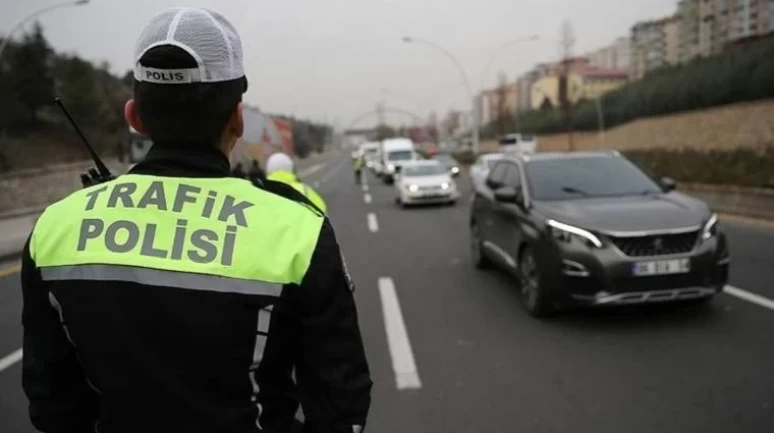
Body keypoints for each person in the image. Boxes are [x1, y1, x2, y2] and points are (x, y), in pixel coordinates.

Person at [21, 8, 371, 433]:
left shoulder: (55, 228)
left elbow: (52, 405)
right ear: (237, 119)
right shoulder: (298, 229)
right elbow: (341, 406)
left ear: (134, 117)